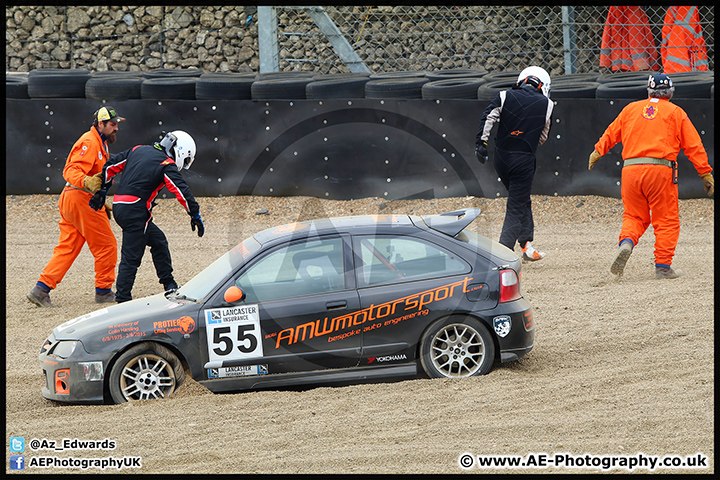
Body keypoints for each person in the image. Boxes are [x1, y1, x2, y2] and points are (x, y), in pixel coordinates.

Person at [588, 73, 713, 279]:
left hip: (630, 170)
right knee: (666, 218)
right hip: (660, 170)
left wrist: (597, 151)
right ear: (670, 92)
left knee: (634, 215)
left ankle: (626, 243)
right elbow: (693, 146)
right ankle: (663, 267)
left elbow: (611, 132)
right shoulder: (675, 112)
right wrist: (705, 173)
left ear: (649, 91)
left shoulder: (630, 109)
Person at [90, 130, 205, 303]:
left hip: (120, 206)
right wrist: (194, 214)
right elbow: (182, 190)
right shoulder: (166, 164)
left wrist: (102, 191)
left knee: (158, 241)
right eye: (186, 159)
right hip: (136, 211)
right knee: (131, 257)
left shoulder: (138, 149)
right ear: (181, 150)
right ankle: (122, 299)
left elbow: (110, 165)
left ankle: (169, 284)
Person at [27, 106, 125, 307]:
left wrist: (99, 197)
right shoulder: (90, 142)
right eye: (113, 125)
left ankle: (41, 289)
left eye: (117, 125)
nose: (116, 128)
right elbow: (71, 170)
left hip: (73, 198)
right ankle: (104, 291)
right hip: (80, 198)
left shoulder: (100, 142)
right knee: (107, 245)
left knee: (68, 247)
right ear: (101, 124)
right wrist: (87, 183)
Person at [475, 65, 554, 261]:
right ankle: (503, 255)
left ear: (522, 80)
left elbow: (488, 117)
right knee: (516, 205)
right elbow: (542, 138)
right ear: (543, 85)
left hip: (500, 158)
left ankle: (526, 244)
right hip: (523, 160)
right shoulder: (548, 104)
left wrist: (481, 144)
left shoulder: (504, 95)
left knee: (520, 198)